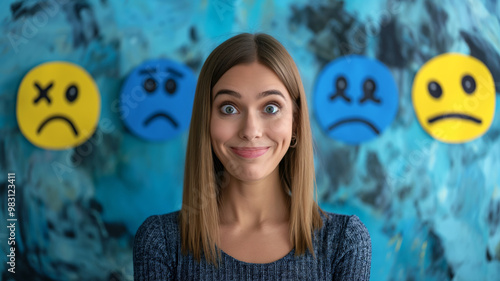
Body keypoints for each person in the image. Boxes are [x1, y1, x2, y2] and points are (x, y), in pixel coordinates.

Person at [133, 33, 371, 280]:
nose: (250, 131)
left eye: (270, 108)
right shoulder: (161, 241)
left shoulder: (344, 242)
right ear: (206, 120)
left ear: (296, 122)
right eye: (229, 108)